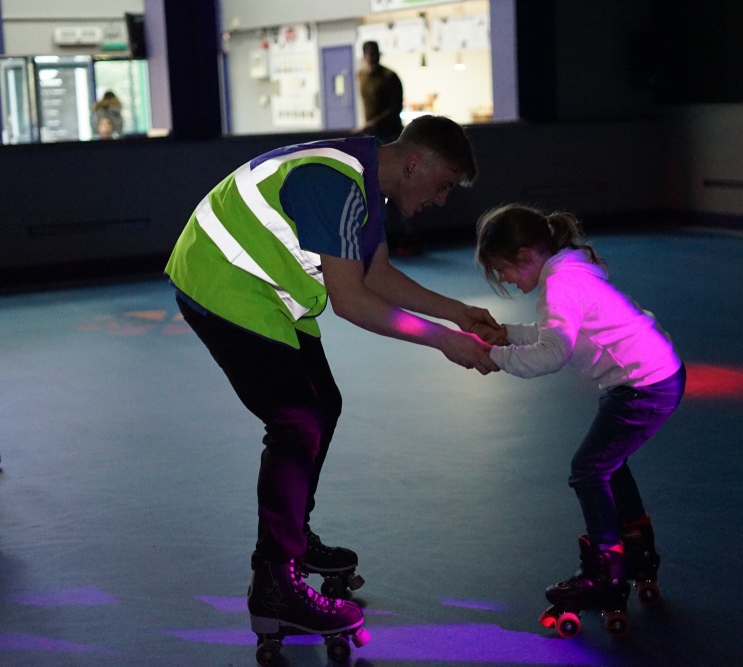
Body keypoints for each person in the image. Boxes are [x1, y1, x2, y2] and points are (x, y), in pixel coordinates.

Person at [165, 115, 500, 658]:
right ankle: (275, 580)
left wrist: (459, 313)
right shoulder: (336, 183)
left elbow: (376, 275)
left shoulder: (367, 183)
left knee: (324, 405)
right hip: (222, 280)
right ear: (415, 162)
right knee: (297, 419)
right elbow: (351, 301)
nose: (440, 201)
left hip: (267, 290)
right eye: (442, 186)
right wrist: (444, 341)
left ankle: (293, 539)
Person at [472, 203, 685, 636]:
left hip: (642, 385)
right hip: (654, 375)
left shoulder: (560, 284)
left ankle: (606, 573)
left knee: (588, 470)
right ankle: (637, 554)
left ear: (525, 255)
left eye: (504, 271)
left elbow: (552, 353)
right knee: (608, 464)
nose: (507, 281)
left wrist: (495, 357)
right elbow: (554, 333)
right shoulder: (568, 271)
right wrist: (507, 334)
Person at [357, 41, 419, 255]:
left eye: (375, 53)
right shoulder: (361, 76)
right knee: (376, 189)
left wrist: (370, 124)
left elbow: (395, 108)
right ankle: (384, 240)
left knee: (399, 185)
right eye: (369, 53)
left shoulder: (390, 77)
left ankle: (408, 236)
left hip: (391, 137)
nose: (372, 57)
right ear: (364, 55)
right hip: (371, 138)